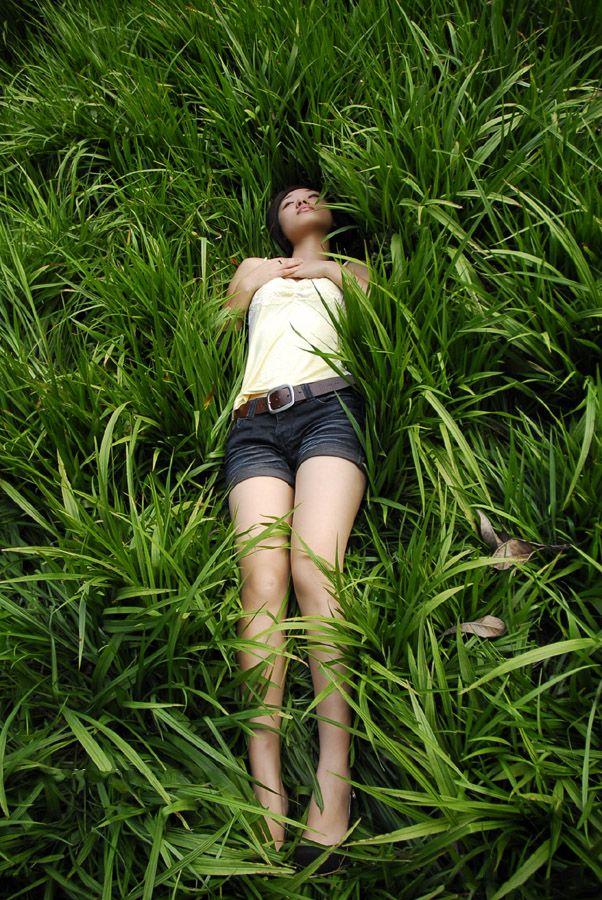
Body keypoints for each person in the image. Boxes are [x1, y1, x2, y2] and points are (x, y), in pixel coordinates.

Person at [221, 184, 371, 874]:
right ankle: (267, 786)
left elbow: (377, 306)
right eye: (290, 199)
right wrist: (254, 280)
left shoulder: (350, 270)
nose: (304, 200)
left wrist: (328, 270)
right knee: (262, 580)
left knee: (315, 567)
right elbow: (226, 321)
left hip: (329, 412)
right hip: (253, 423)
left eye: (314, 194)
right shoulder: (255, 268)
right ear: (275, 222)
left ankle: (334, 786)